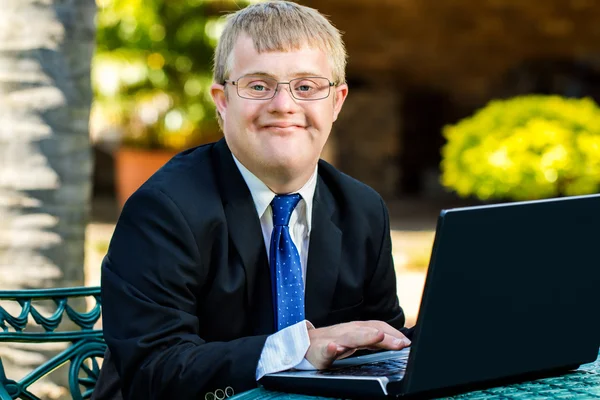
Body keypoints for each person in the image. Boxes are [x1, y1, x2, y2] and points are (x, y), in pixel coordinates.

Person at [92, 2, 413, 399]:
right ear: (222, 100)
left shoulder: (363, 210)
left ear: (337, 101)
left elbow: (387, 347)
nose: (283, 105)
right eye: (258, 86)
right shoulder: (164, 210)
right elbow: (154, 371)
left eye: (307, 86)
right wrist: (296, 349)